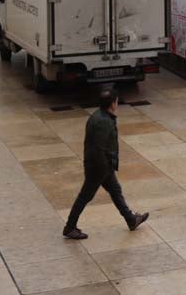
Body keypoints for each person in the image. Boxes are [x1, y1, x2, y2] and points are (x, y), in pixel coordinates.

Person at [63, 89, 148, 239]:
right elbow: (99, 148)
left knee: (115, 191)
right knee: (85, 196)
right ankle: (70, 227)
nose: (117, 104)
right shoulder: (104, 122)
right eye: (116, 101)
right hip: (99, 167)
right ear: (112, 104)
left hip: (103, 165)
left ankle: (131, 219)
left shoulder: (98, 116)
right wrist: (103, 169)